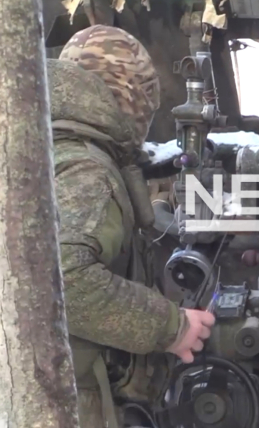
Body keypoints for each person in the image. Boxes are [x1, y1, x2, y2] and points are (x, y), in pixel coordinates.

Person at [48, 25, 215, 427]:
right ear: (132, 100)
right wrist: (171, 327)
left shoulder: (49, 152)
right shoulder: (86, 170)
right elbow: (61, 279)